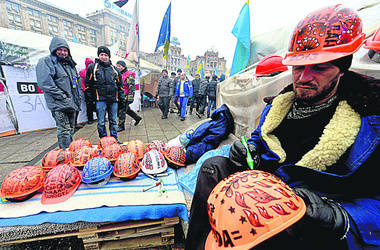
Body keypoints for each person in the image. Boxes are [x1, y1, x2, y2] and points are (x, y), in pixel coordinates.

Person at [185, 5, 380, 250]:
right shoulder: (279, 107)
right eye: (298, 66)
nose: (303, 77)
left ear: (341, 69)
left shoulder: (371, 123)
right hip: (269, 198)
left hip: (318, 218)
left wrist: (342, 218)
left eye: (319, 68)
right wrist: (249, 149)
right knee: (214, 167)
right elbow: (259, 140)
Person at [36, 37, 82, 149]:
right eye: (59, 50)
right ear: (54, 49)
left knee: (71, 129)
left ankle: (70, 151)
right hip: (59, 104)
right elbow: (46, 84)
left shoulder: (70, 64)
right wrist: (63, 97)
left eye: (65, 50)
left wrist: (77, 98)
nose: (63, 52)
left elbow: (75, 83)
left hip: (72, 103)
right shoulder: (46, 62)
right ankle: (64, 155)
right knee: (64, 130)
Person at [85, 46, 124, 142]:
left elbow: (120, 85)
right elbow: (87, 84)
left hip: (113, 100)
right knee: (101, 122)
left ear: (109, 57)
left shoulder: (114, 69)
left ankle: (114, 140)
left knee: (113, 121)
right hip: (100, 100)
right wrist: (90, 100)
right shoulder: (93, 68)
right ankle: (104, 140)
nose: (104, 57)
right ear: (98, 55)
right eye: (101, 55)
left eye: (106, 55)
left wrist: (121, 99)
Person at [116, 60, 141, 131]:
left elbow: (131, 87)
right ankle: (137, 118)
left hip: (125, 96)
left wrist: (130, 97)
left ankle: (121, 126)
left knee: (121, 111)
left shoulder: (129, 75)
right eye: (117, 66)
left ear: (123, 66)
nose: (118, 67)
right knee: (127, 110)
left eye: (119, 66)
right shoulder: (118, 74)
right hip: (119, 96)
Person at [79, 57, 95, 125]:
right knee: (89, 105)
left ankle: (100, 117)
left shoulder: (95, 70)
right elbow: (81, 82)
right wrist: (84, 89)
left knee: (98, 104)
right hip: (88, 90)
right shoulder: (82, 72)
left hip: (95, 89)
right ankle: (90, 119)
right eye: (88, 64)